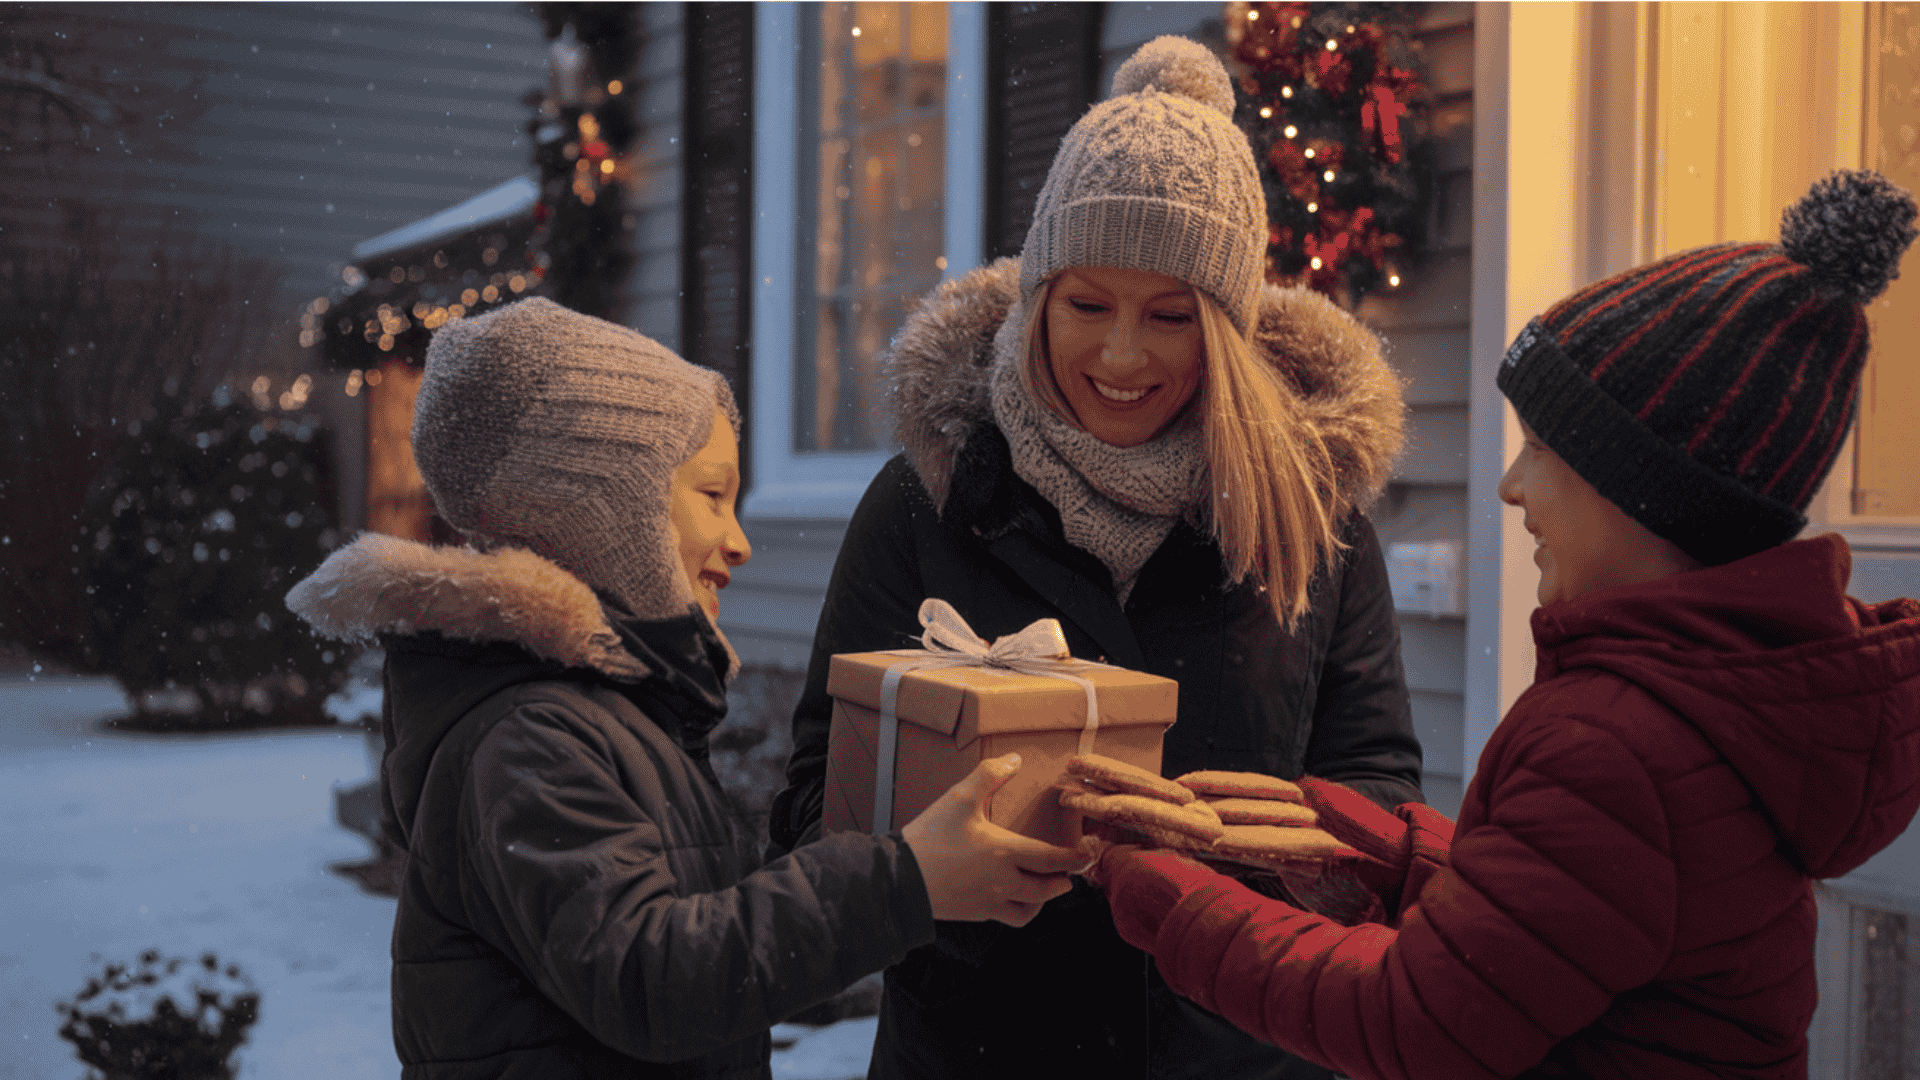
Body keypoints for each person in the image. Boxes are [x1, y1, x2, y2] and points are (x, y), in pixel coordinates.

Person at [1091, 170, 1920, 1079]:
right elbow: (1591, 915)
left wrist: (1165, 896)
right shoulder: (1719, 696)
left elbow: (1410, 1019)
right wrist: (1390, 854)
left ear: (1644, 493)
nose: (1511, 486)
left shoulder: (1618, 747)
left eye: (1544, 451)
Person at [765, 37, 1423, 1080]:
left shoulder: (1312, 524)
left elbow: (1375, 793)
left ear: (1231, 328)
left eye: (1171, 317)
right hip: (977, 1051)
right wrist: (934, 871)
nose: (1122, 357)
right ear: (1036, 299)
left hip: (1242, 1052)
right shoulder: (927, 503)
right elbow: (813, 801)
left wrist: (1253, 860)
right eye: (1087, 306)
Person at [284, 297, 1090, 1079]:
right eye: (711, 496)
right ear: (599, 510)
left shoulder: (611, 716)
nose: (738, 542)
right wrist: (901, 881)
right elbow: (652, 978)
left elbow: (707, 938)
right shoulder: (531, 736)